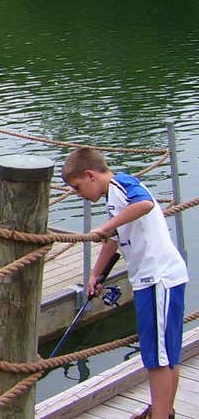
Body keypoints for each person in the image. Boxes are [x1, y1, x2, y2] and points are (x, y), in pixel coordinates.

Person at [64, 148, 188, 419]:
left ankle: (160, 415)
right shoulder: (114, 197)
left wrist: (107, 225)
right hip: (163, 277)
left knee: (157, 359)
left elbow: (144, 204)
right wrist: (96, 274)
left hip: (157, 278)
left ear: (90, 175)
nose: (78, 194)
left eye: (77, 187)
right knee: (167, 353)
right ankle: (162, 411)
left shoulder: (122, 184)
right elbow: (115, 241)